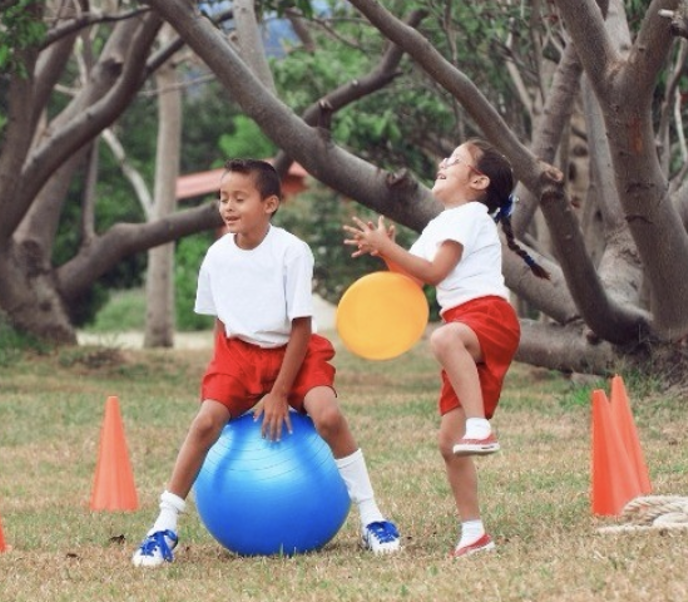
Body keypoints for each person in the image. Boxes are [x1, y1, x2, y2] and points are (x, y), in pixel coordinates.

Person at [131, 158, 401, 567]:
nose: (228, 206)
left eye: (240, 198)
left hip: (294, 350)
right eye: (223, 198)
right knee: (205, 422)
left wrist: (278, 393)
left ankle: (372, 517)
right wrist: (222, 379)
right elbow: (221, 322)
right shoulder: (217, 255)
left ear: (270, 203)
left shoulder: (292, 252)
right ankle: (163, 527)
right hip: (238, 356)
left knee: (327, 416)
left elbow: (301, 326)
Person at [343, 139, 549, 558]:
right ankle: (474, 533)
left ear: (478, 181)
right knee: (449, 442)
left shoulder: (471, 216)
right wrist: (386, 251)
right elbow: (412, 278)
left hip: (487, 317)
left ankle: (481, 426)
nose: (442, 162)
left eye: (454, 160)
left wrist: (388, 248)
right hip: (463, 326)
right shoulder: (440, 225)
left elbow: (437, 271)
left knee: (442, 338)